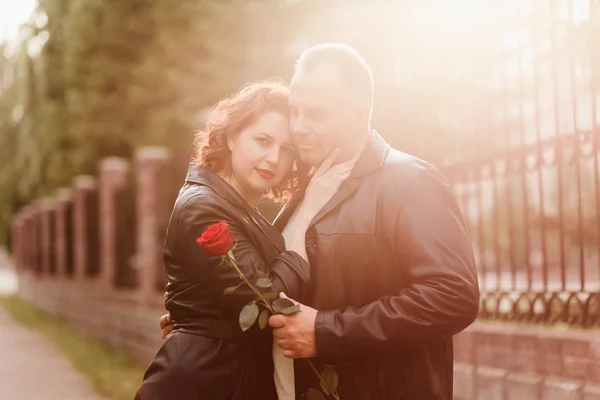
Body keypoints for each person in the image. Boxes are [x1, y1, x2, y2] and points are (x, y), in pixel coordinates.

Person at [161, 43, 480, 399]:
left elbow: (453, 297)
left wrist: (325, 332)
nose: (299, 128)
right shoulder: (308, 191)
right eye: (296, 111)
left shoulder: (411, 181)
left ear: (360, 115)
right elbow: (271, 290)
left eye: (317, 115)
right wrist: (208, 317)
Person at [136, 80, 354, 400]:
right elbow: (269, 304)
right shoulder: (204, 208)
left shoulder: (234, 206)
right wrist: (308, 212)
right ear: (232, 136)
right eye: (262, 140)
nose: (273, 158)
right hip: (203, 384)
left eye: (287, 149)